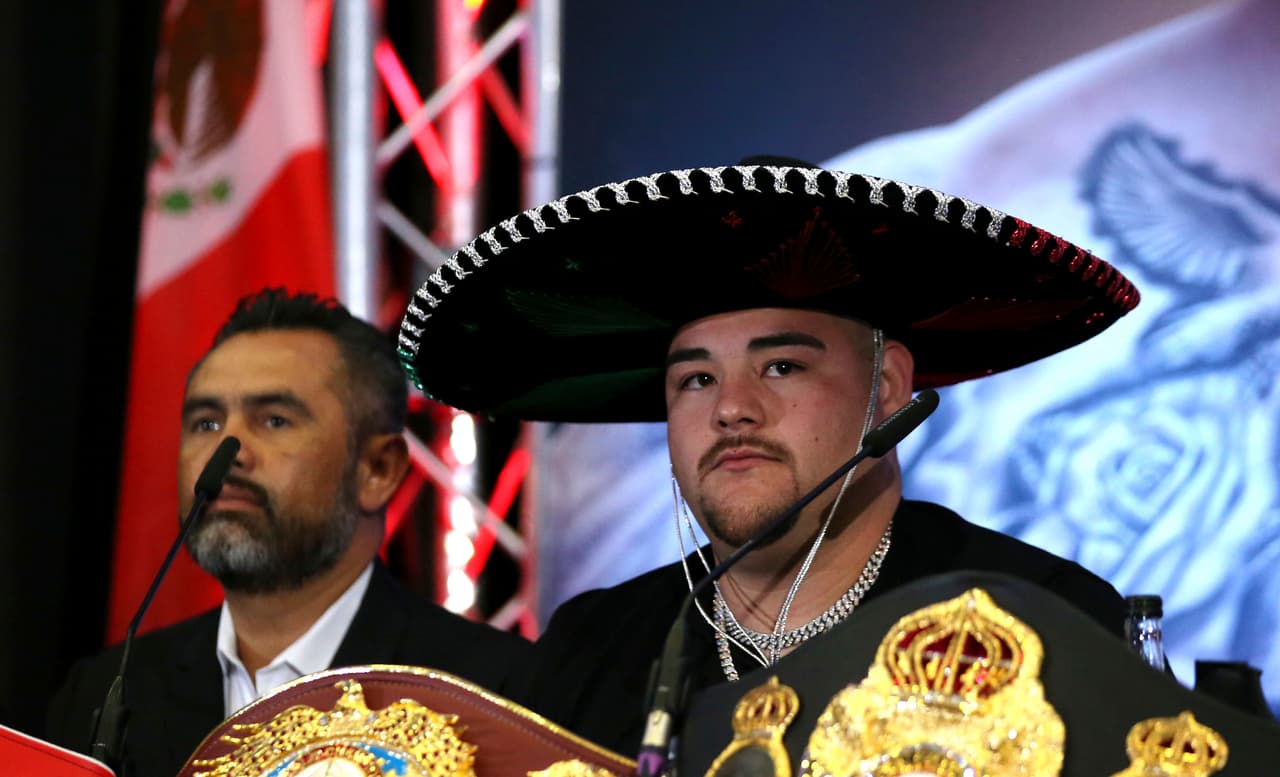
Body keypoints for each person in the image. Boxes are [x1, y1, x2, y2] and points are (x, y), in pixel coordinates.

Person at [395, 160, 1141, 755]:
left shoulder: (1047, 623)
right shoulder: (592, 649)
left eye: (782, 366)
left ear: (885, 390)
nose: (731, 407)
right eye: (695, 379)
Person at [47, 289, 531, 777]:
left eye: (275, 420)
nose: (229, 450)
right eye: (206, 422)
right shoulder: (107, 690)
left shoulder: (496, 690)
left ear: (377, 469)